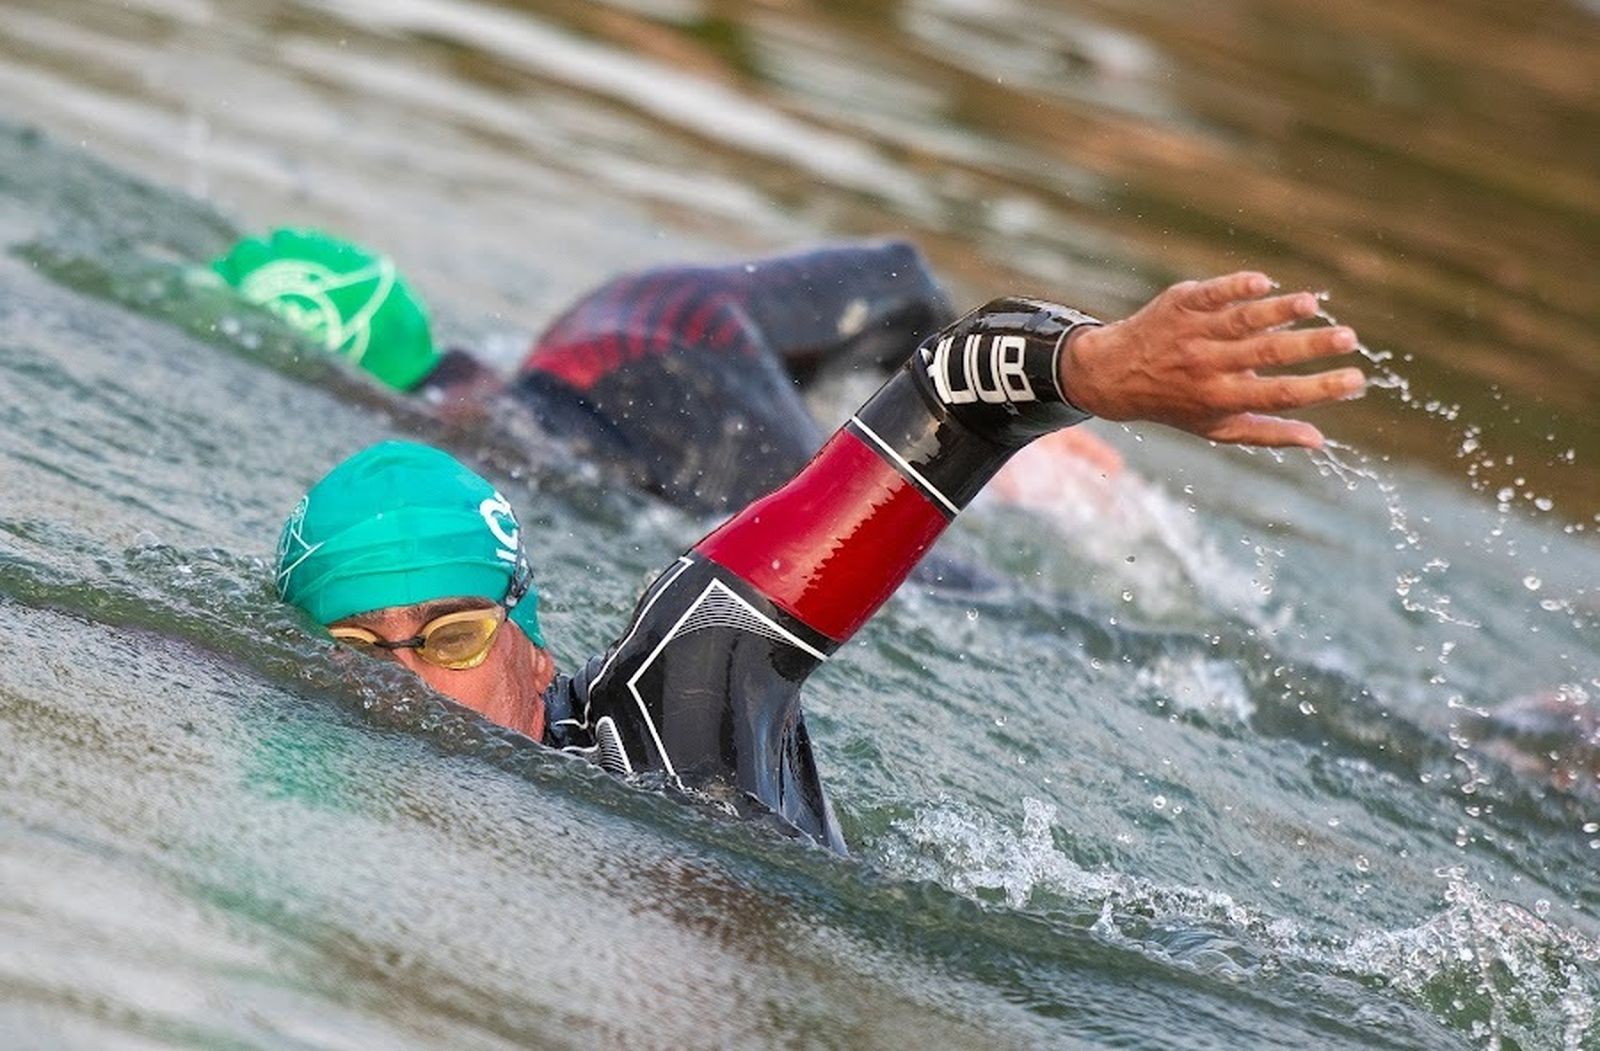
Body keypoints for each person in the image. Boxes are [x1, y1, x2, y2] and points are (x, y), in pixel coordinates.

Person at [276, 271, 1364, 852]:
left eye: (453, 636)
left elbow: (947, 393)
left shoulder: (678, 691)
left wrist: (1098, 366)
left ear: (527, 620)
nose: (406, 687)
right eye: (357, 650)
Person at [216, 229, 1121, 523]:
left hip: (815, 549)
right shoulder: (641, 310)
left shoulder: (466, 463)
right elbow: (899, 278)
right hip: (929, 483)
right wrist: (1017, 381)